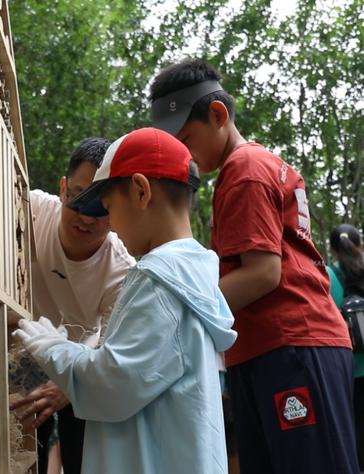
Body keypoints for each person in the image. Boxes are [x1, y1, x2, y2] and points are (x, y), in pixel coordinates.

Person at [150, 58, 357, 473]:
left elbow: (264, 273)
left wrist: (175, 309)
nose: (186, 156)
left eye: (187, 139)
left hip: (291, 344)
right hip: (268, 347)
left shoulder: (244, 170)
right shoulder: (254, 166)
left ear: (218, 115)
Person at [13, 127, 237, 473]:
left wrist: (51, 346)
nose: (110, 225)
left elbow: (112, 383)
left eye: (107, 208)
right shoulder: (190, 275)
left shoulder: (157, 280)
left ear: (140, 191)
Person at [10, 138, 135, 474]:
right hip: (20, 351)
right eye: (77, 198)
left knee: (83, 445)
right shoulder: (30, 209)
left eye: (99, 207)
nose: (85, 217)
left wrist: (69, 383)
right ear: (63, 188)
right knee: (17, 446)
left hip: (79, 359)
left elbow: (109, 348)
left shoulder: (122, 271)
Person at [327, 224, 364, 470]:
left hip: (349, 368)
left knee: (356, 428)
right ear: (359, 244)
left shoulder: (328, 275)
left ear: (332, 250)